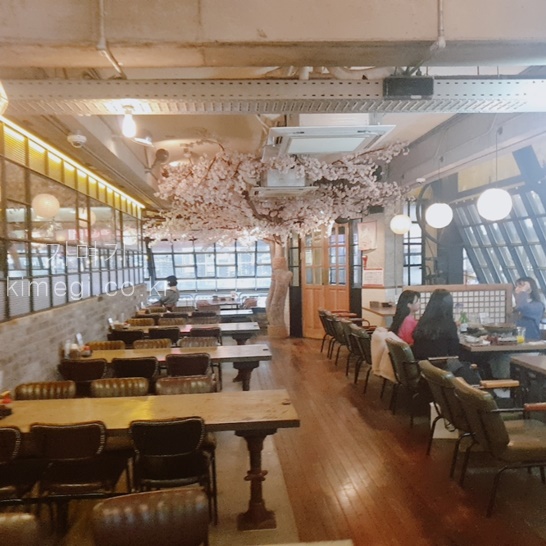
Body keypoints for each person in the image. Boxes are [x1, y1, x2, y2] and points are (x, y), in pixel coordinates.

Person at [412, 288, 481, 384]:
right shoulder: (448, 325)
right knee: (475, 359)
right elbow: (454, 353)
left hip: (424, 369)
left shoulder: (422, 322)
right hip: (442, 368)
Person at [513, 276, 544, 341]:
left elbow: (522, 307)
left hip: (531, 340)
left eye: (520, 287)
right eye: (516, 286)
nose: (516, 289)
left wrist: (523, 291)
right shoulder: (514, 305)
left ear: (529, 290)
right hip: (514, 340)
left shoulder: (538, 305)